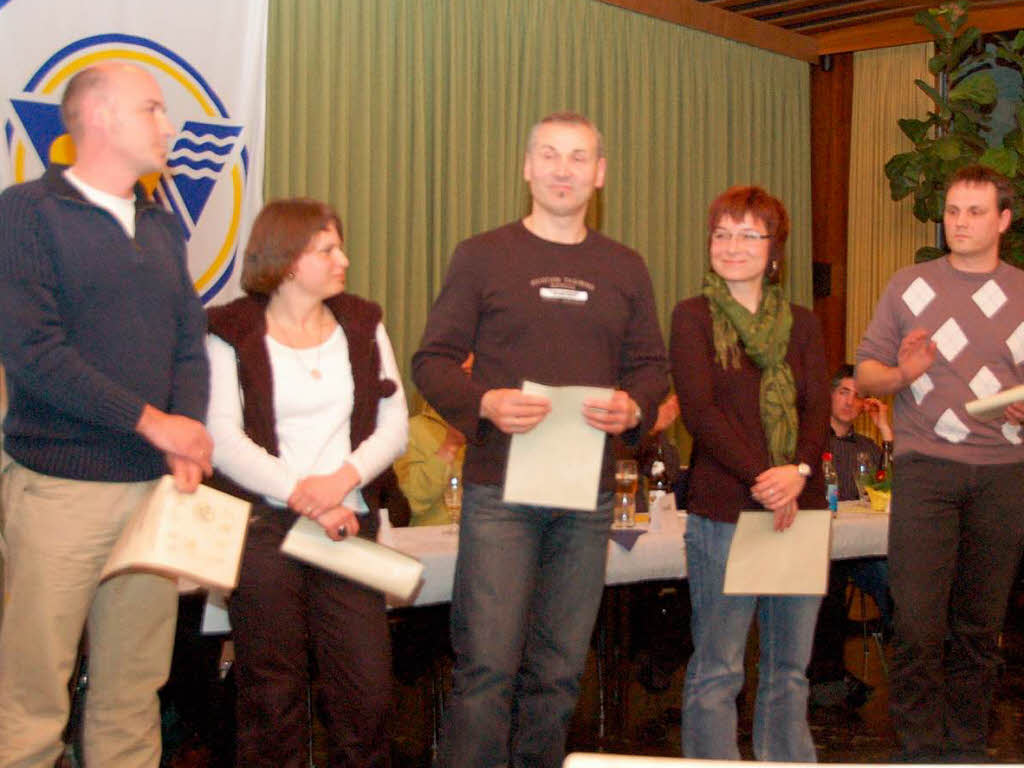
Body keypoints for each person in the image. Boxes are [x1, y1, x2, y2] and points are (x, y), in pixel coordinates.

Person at [412, 112, 668, 767]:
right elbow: (433, 360)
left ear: (600, 174)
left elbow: (651, 367)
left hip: (587, 498)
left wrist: (633, 405)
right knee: (486, 672)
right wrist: (485, 402)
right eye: (549, 156)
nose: (562, 169)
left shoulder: (625, 267)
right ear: (526, 168)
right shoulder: (481, 255)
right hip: (499, 488)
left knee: (557, 676)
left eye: (578, 158)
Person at [0, 62, 213, 767]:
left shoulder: (161, 226)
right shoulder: (25, 212)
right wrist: (154, 422)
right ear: (98, 118)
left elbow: (190, 343)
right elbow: (33, 352)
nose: (169, 126)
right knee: (31, 699)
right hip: (60, 490)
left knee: (132, 696)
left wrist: (186, 434)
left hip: (154, 493)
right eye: (152, 109)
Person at [204, 198, 408, 767]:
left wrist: (342, 481)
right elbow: (221, 438)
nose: (343, 258)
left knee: (366, 694)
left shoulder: (362, 323)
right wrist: (306, 495)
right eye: (327, 249)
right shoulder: (231, 329)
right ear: (289, 261)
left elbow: (395, 426)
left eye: (339, 246)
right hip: (266, 529)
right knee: (272, 697)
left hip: (347, 525)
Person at [856, 164, 1024, 762]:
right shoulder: (909, 285)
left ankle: (969, 749)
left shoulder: (1022, 291)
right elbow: (866, 374)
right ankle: (920, 751)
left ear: (1004, 220)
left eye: (975, 211)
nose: (959, 222)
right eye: (953, 210)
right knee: (918, 623)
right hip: (926, 468)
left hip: (1004, 473)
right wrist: (904, 372)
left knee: (980, 626)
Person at [669, 185, 829, 761]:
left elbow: (815, 408)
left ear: (774, 249)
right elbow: (701, 412)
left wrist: (800, 471)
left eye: (747, 234)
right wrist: (769, 478)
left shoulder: (803, 324)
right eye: (721, 233)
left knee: (789, 670)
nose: (732, 245)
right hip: (726, 510)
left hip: (798, 512)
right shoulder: (692, 318)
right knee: (718, 669)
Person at [808, 364, 893, 709]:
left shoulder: (868, 448)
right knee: (829, 579)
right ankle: (827, 677)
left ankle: (911, 658)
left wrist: (885, 430)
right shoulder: (810, 443)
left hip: (864, 548)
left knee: (900, 580)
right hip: (821, 547)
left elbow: (889, 489)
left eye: (856, 394)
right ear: (829, 396)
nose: (849, 400)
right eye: (843, 391)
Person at [394, 355, 473, 526]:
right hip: (430, 546)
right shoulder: (410, 431)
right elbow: (410, 502)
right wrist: (449, 447)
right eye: (464, 375)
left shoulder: (497, 433)